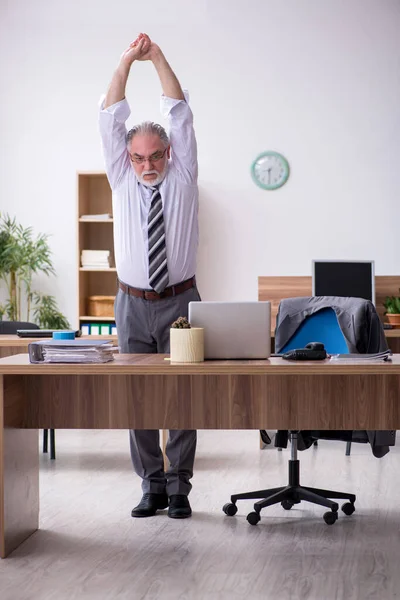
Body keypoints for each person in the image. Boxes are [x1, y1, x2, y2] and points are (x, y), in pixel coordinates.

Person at [98, 33, 200, 519]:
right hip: (131, 302)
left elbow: (178, 110)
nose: (145, 166)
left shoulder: (183, 175)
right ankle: (151, 486)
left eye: (154, 156)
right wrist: (124, 62)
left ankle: (179, 488)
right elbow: (109, 116)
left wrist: (156, 57)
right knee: (137, 396)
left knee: (182, 395)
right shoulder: (120, 177)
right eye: (137, 157)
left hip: (181, 299)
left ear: (169, 154)